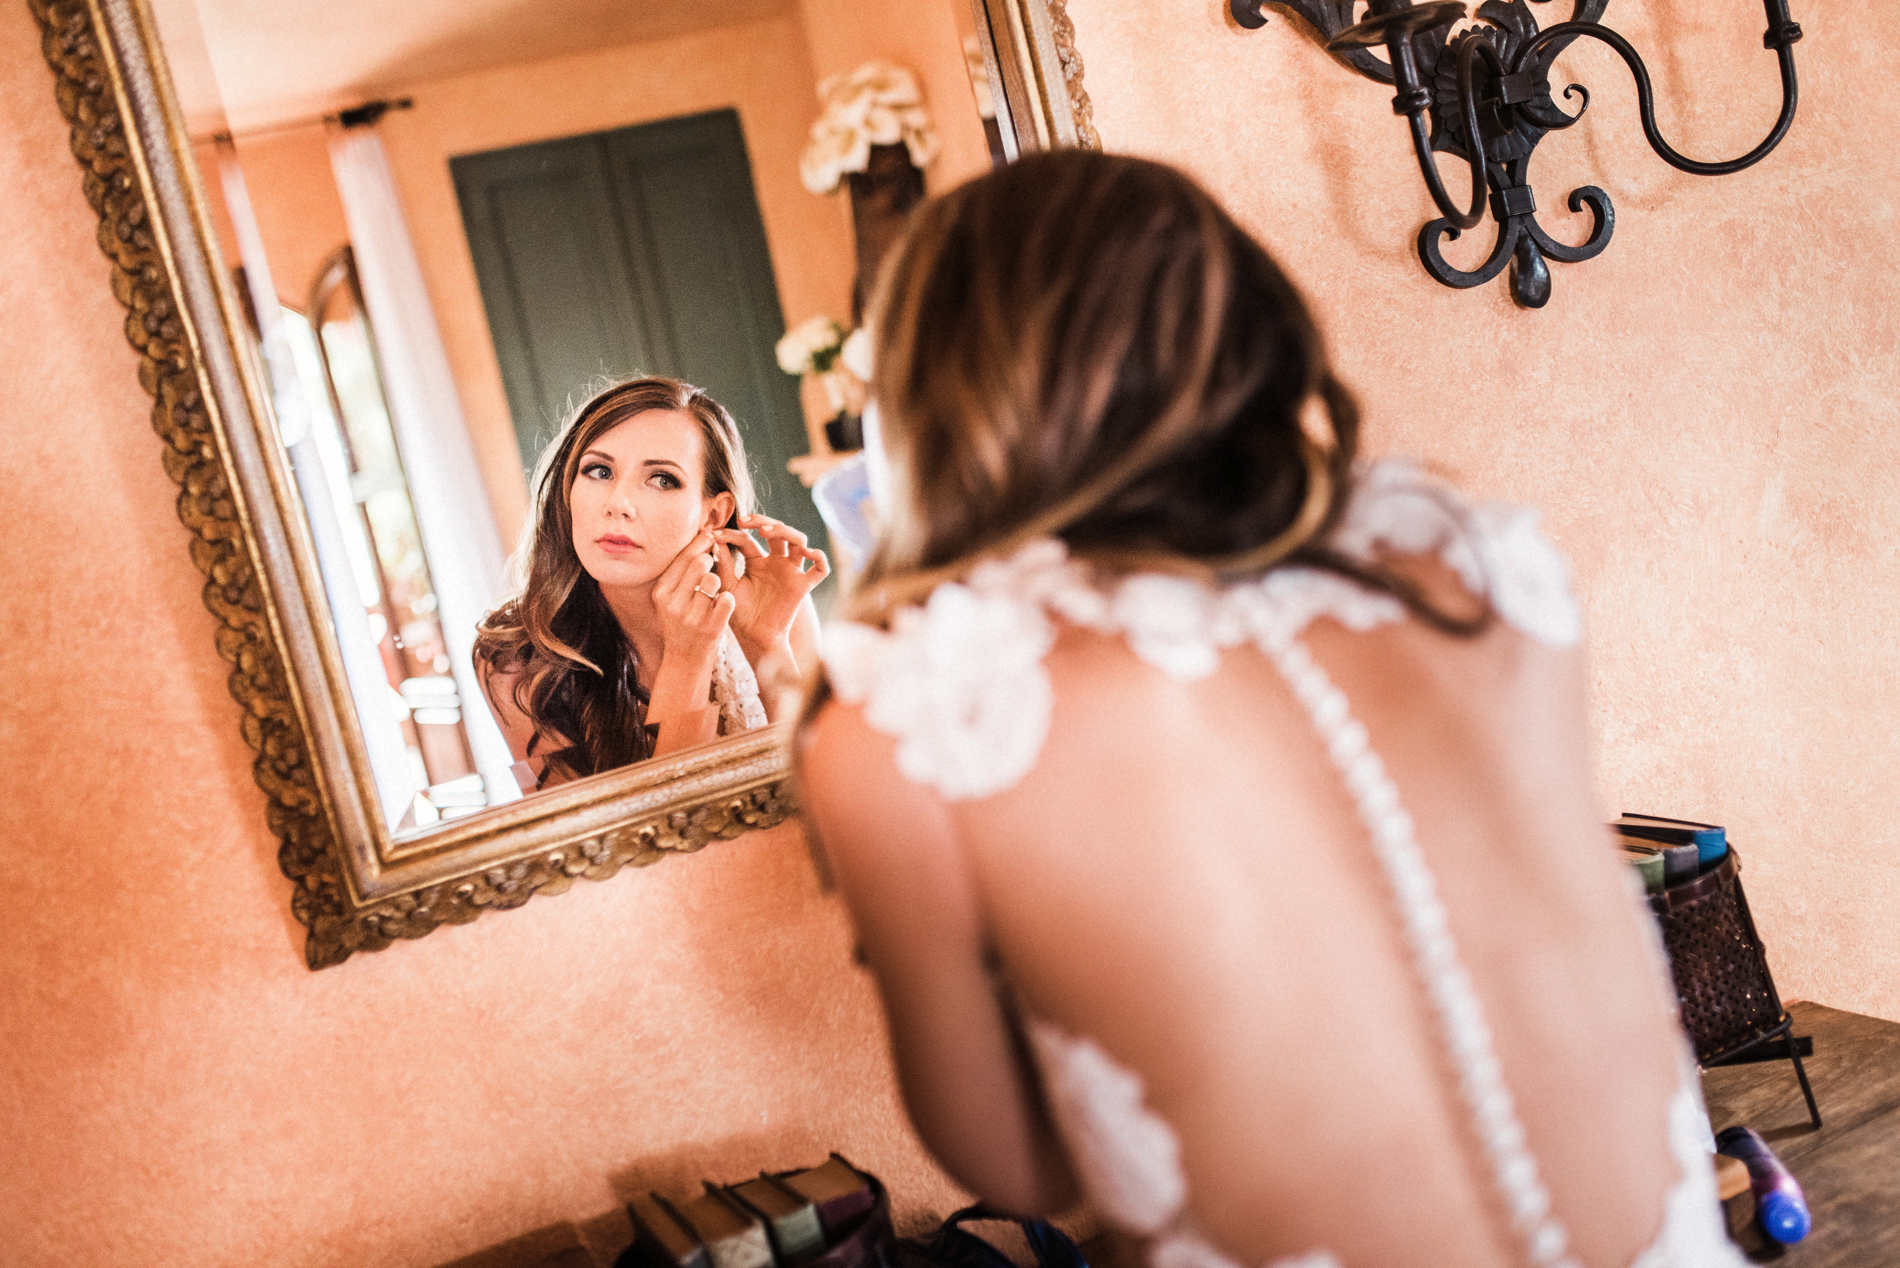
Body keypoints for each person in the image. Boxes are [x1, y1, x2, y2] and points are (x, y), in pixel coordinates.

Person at [796, 153, 1743, 1268]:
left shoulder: (920, 718)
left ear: (934, 399)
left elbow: (1025, 1169)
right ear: (1248, 331)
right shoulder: (1468, 566)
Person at [476, 376, 827, 789]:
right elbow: (624, 847)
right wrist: (685, 662)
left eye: (662, 479)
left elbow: (828, 798)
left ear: (714, 514)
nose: (618, 505)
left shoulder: (777, 611)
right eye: (599, 471)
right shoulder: (515, 658)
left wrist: (766, 645)